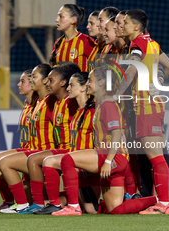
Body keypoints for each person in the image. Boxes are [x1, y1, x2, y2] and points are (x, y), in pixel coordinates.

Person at [52, 66, 159, 216]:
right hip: (115, 158)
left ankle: (73, 206)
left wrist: (108, 161)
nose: (87, 84)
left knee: (67, 159)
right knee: (116, 210)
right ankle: (157, 200)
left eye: (90, 80)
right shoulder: (103, 102)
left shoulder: (107, 104)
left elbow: (116, 134)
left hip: (112, 157)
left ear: (101, 82)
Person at [119, 9, 169, 214]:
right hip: (154, 103)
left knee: (155, 157)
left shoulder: (137, 44)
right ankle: (166, 201)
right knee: (157, 155)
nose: (123, 25)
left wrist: (116, 93)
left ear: (136, 26)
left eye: (125, 22)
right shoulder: (152, 43)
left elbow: (133, 66)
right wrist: (158, 81)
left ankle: (164, 203)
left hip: (145, 105)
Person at [17, 63, 81, 214]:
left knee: (36, 159)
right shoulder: (55, 102)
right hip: (60, 150)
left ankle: (46, 203)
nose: (47, 83)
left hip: (69, 150)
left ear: (63, 83)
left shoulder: (68, 103)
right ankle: (47, 203)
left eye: (50, 80)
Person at [33, 71, 97, 215]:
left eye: (71, 85)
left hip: (89, 164)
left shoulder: (94, 111)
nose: (68, 88)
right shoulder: (78, 111)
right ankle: (55, 204)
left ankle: (151, 199)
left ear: (83, 87)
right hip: (75, 161)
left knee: (93, 210)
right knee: (48, 161)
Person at [0, 64, 57, 213]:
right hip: (34, 151)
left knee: (4, 163)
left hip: (44, 151)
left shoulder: (50, 102)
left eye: (33, 77)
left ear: (45, 80)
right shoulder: (37, 103)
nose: (29, 81)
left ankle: (22, 203)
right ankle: (13, 202)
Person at [0, 69, 37, 212]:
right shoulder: (28, 104)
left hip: (38, 151)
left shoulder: (40, 103)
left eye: (23, 81)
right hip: (29, 148)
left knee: (4, 162)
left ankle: (21, 204)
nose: (18, 84)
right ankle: (8, 202)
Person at [49, 4, 95, 72]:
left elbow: (94, 71)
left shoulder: (86, 41)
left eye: (61, 16)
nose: (56, 20)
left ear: (73, 20)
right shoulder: (58, 42)